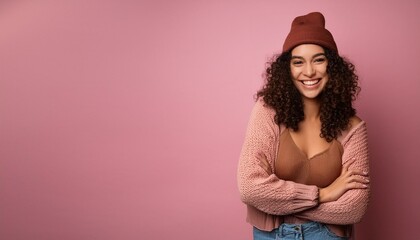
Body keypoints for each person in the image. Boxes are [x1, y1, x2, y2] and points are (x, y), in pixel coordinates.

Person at [237, 12, 370, 240]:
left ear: (333, 66)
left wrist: (277, 203)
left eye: (318, 59)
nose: (308, 72)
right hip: (270, 235)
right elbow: (250, 187)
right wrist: (322, 194)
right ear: (286, 69)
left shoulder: (353, 128)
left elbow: (354, 207)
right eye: (298, 62)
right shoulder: (267, 112)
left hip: (326, 235)